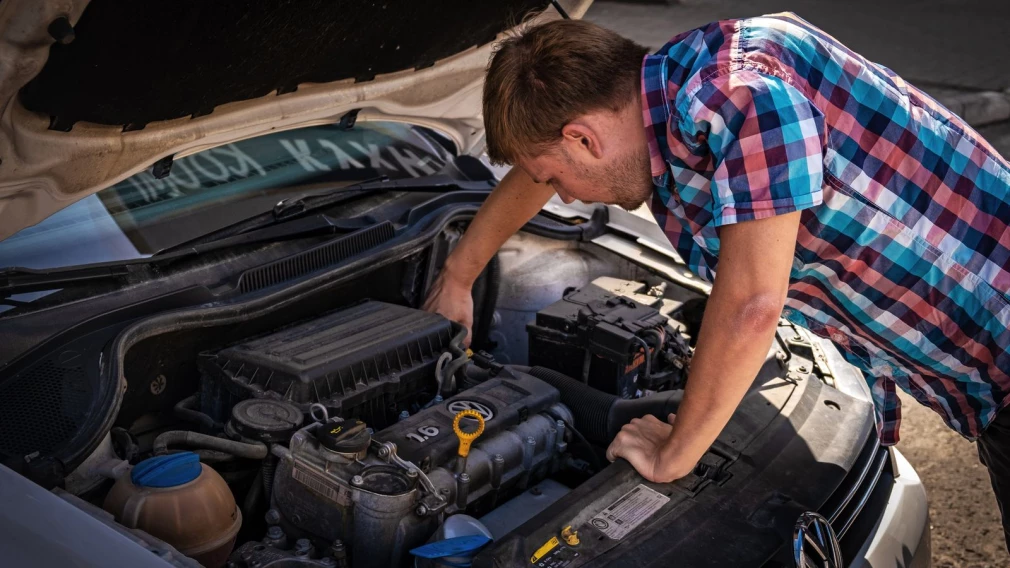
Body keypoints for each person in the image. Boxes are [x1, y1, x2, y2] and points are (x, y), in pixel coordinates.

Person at [422, 13, 1010, 548]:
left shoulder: (740, 96)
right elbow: (535, 176)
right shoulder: (671, 89)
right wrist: (458, 273)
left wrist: (674, 451)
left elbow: (753, 303)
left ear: (583, 137)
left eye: (560, 179)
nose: (567, 196)